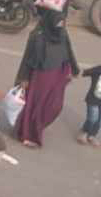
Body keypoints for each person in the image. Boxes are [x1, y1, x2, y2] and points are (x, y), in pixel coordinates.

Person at [13, 10, 77, 147]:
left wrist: (74, 70)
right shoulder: (37, 36)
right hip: (39, 77)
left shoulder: (63, 34)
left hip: (59, 76)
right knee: (35, 106)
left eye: (62, 22)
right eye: (58, 22)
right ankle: (29, 135)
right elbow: (27, 58)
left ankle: (38, 127)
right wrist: (23, 78)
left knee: (54, 106)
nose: (60, 25)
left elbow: (69, 51)